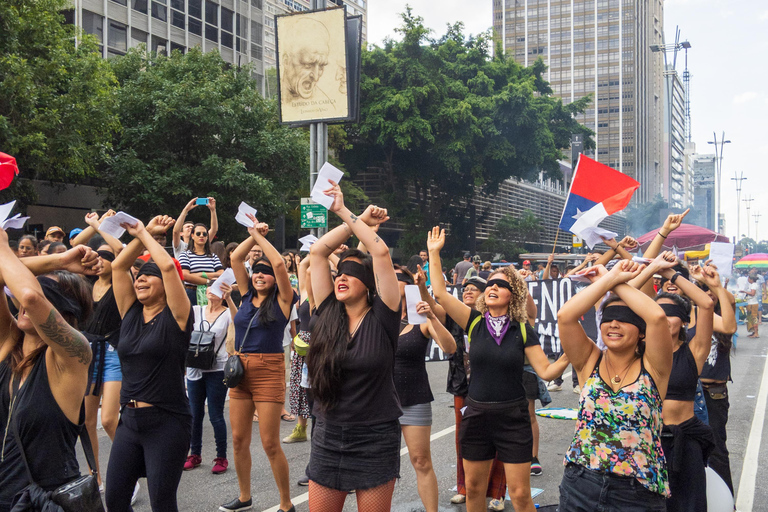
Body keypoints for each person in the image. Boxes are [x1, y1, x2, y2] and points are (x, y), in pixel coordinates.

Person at [428, 227, 569, 512]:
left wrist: (570, 355)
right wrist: (434, 253)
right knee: (475, 490)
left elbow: (546, 372)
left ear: (513, 294)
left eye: (500, 285)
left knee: (519, 496)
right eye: (490, 283)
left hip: (513, 420)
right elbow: (441, 293)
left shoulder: (523, 330)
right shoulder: (473, 322)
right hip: (477, 417)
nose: (492, 287)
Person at [307, 186, 400, 511]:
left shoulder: (384, 317)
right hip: (329, 434)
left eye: (351, 272)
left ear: (369, 283)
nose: (341, 277)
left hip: (375, 438)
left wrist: (346, 210)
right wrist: (354, 218)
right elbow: (317, 253)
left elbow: (381, 254)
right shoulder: (327, 311)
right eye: (338, 273)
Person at [557, 259, 674, 511]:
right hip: (581, 483)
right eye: (608, 318)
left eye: (623, 319)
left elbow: (656, 316)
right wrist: (608, 280)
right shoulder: (589, 360)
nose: (613, 324)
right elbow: (565, 317)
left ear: (642, 332)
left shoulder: (654, 367)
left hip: (637, 492)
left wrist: (616, 281)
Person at [0, 236, 99, 512]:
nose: (20, 298)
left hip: (39, 504)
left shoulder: (73, 356)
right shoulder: (9, 346)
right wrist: (59, 261)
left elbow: (31, 297)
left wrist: (1, 242)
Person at [106, 215, 193, 512]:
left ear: (166, 285)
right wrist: (142, 236)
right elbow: (118, 266)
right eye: (139, 275)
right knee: (115, 500)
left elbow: (168, 266)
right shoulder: (130, 312)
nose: (140, 278)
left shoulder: (178, 316)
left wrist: (146, 233)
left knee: (162, 502)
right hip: (129, 421)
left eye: (148, 275)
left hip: (167, 421)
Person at [222, 214, 297, 512]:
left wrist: (263, 239)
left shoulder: (283, 300)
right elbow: (236, 257)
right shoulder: (245, 297)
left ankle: (286, 503)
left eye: (264, 274)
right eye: (257, 273)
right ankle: (244, 497)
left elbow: (279, 264)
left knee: (269, 442)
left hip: (269, 369)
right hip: (240, 370)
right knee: (239, 439)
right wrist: (252, 235)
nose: (260, 276)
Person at [645, 259, 715, 512]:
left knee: (688, 505)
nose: (663, 319)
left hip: (685, 443)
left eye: (671, 314)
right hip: (647, 442)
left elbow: (706, 304)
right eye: (658, 314)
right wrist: (651, 269)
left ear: (684, 321)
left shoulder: (694, 352)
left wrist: (672, 275)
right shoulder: (639, 354)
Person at [442, 276, 509, 509]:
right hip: (463, 386)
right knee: (465, 441)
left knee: (498, 441)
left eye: (473, 289)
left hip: (493, 390)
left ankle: (498, 493)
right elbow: (434, 304)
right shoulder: (454, 317)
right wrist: (421, 287)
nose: (467, 292)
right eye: (465, 290)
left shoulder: (497, 320)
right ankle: (464, 489)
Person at [392, 266, 456, 512]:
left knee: (420, 460)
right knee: (381, 464)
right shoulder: (377, 317)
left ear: (407, 286)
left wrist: (431, 317)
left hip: (414, 397)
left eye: (397, 278)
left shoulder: (421, 319)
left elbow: (450, 347)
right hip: (379, 399)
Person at [691, 273, 737, 494]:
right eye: (702, 290)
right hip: (691, 393)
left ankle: (727, 502)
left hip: (715, 394)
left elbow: (731, 312)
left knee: (717, 451)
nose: (708, 295)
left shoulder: (721, 316)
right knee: (690, 449)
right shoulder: (689, 315)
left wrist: (715, 285)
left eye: (710, 292)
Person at [184, 284, 235, 475]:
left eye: (217, 288)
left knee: (215, 415)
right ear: (204, 292)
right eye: (209, 288)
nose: (212, 291)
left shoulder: (228, 312)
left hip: (218, 367)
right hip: (195, 368)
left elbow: (239, 322)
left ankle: (221, 457)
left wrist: (230, 299)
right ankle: (194, 454)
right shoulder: (196, 310)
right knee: (195, 414)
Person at [178, 223, 224, 306]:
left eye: (204, 234)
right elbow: (185, 275)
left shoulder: (213, 256)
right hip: (191, 293)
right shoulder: (185, 255)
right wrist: (208, 281)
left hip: (211, 293)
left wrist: (201, 274)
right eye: (198, 234)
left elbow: (221, 274)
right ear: (192, 235)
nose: (201, 236)